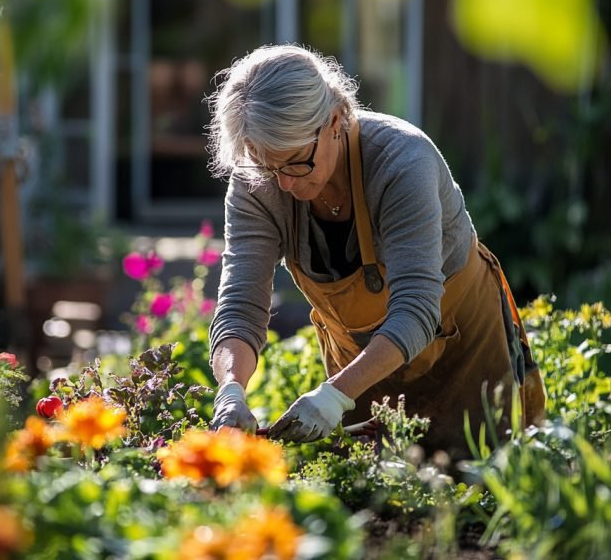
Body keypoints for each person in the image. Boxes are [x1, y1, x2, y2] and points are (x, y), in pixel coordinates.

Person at [205, 44, 545, 458]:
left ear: (333, 121)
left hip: (464, 354)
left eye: (295, 163)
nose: (285, 185)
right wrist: (231, 390)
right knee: (375, 504)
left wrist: (334, 395)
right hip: (362, 376)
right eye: (266, 166)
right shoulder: (258, 182)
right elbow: (241, 305)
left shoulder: (402, 162)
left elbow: (418, 307)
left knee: (486, 488)